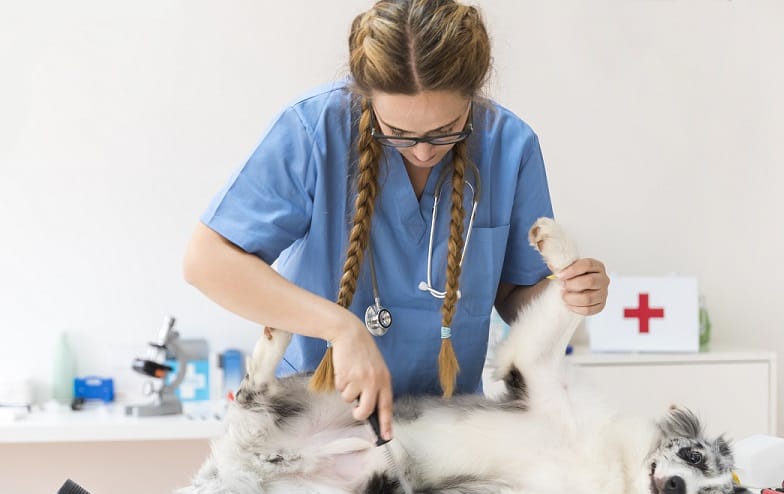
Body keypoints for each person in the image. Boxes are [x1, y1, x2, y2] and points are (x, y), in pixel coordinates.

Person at [183, 0, 609, 441]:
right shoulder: (314, 132)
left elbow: (514, 295)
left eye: (447, 130)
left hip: (441, 434)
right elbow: (207, 261)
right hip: (312, 425)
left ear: (475, 97)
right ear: (365, 97)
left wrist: (567, 296)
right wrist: (340, 328)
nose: (424, 152)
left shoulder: (509, 145)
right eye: (399, 134)